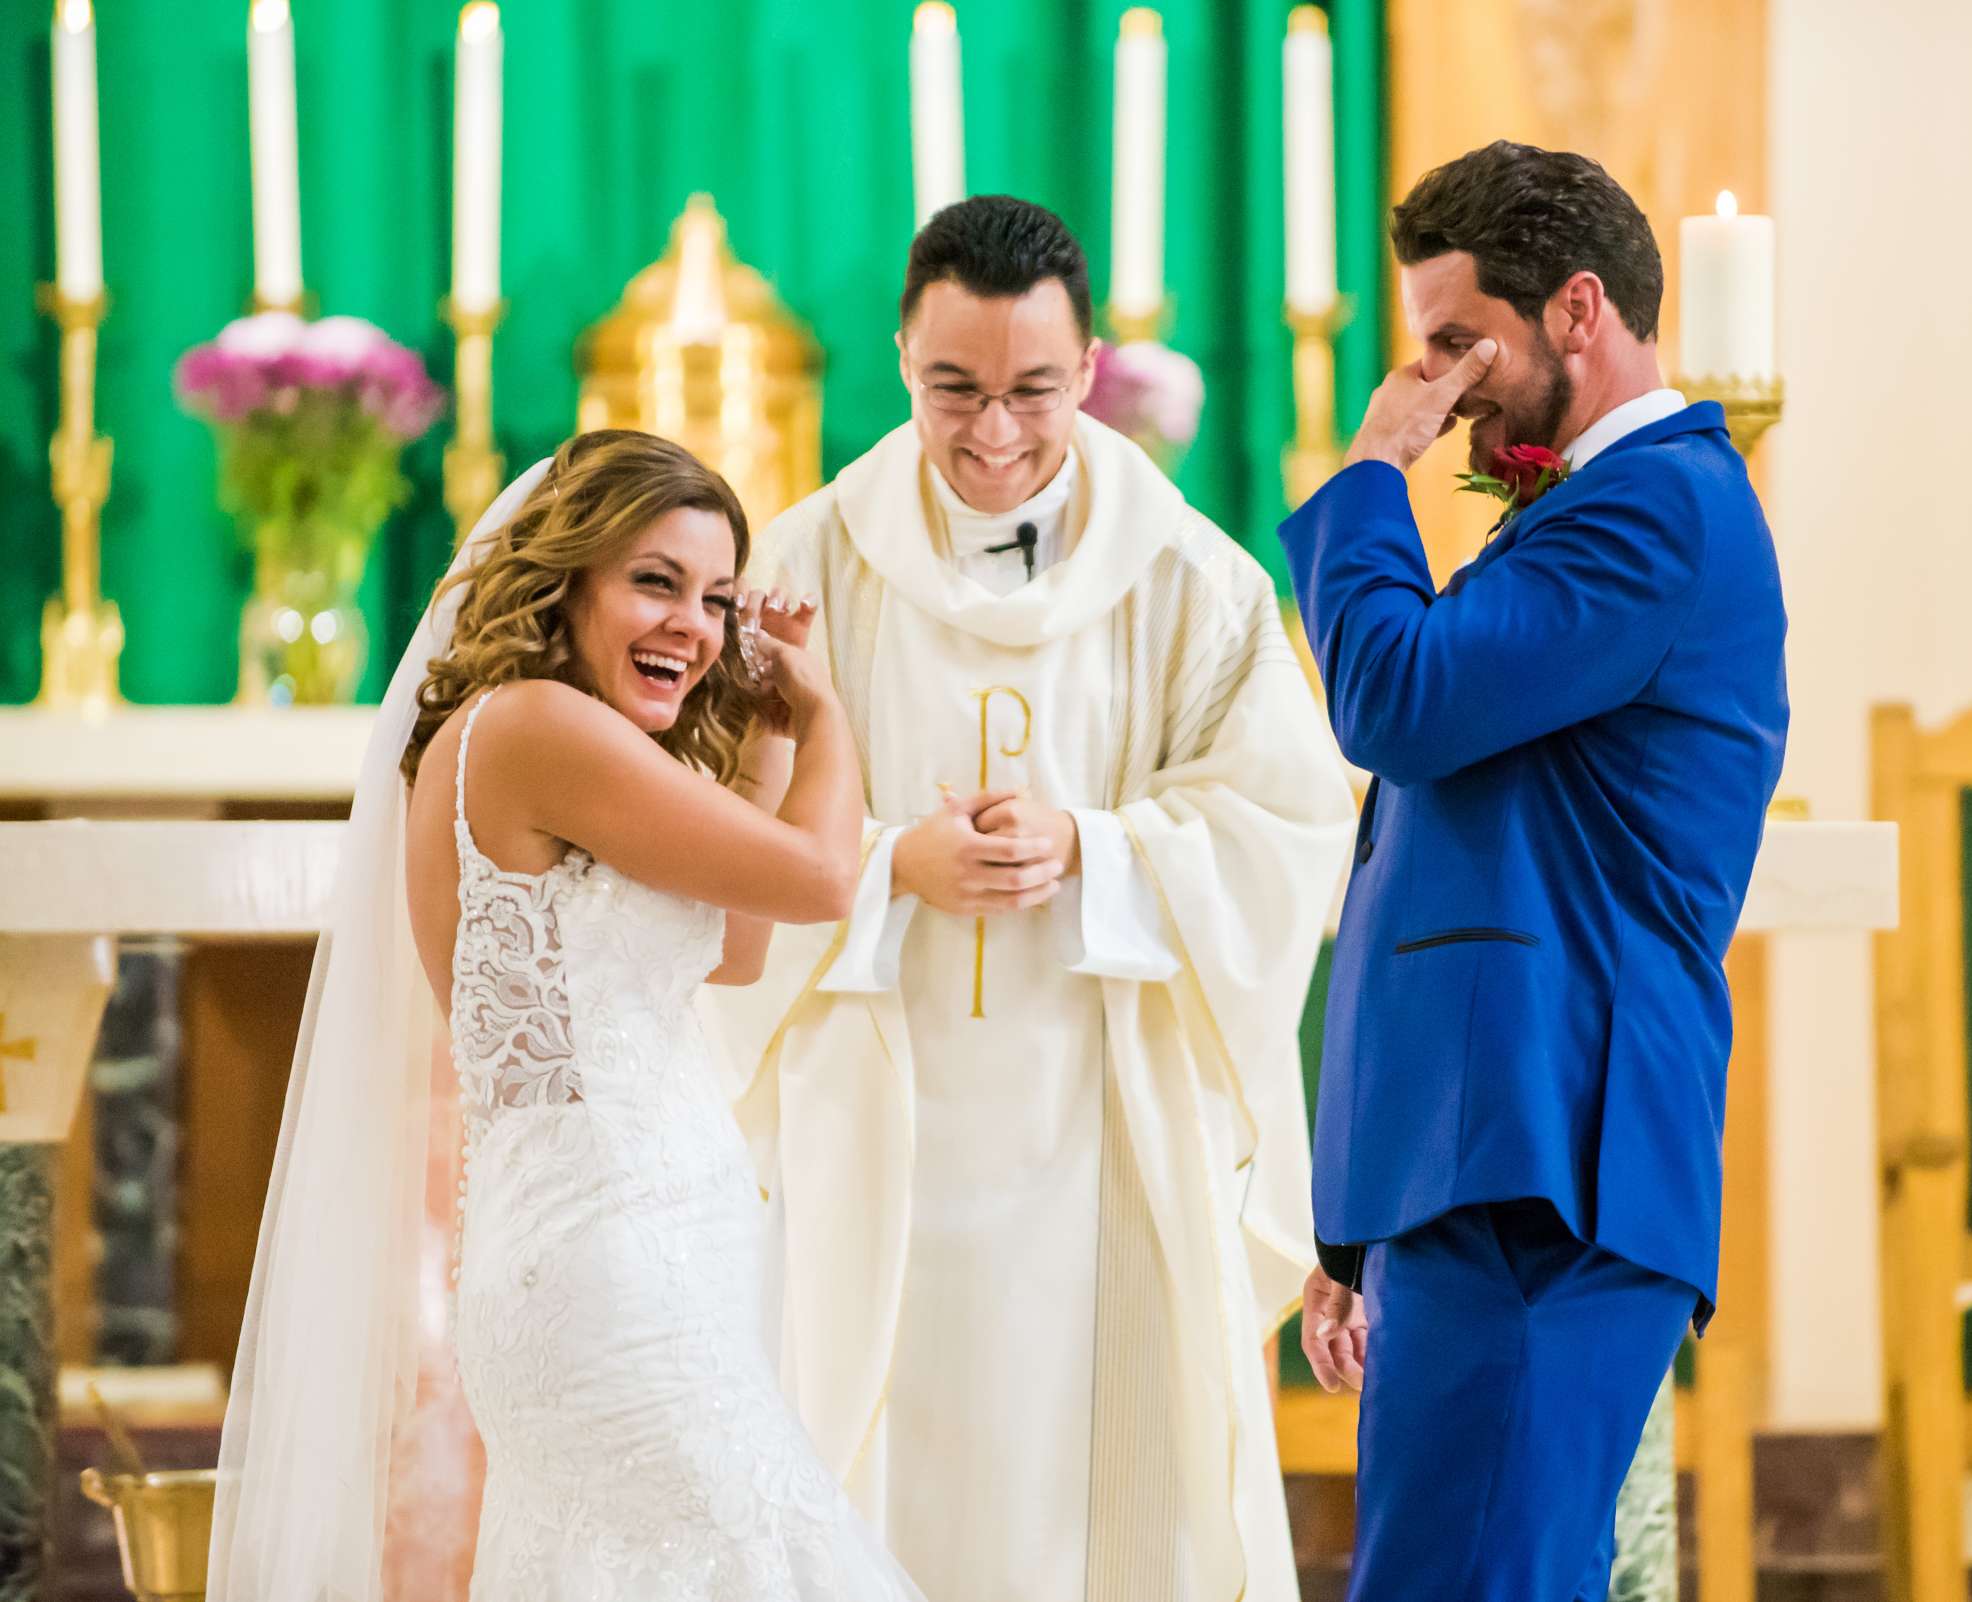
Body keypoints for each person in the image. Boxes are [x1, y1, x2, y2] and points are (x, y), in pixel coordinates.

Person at [710, 196, 1354, 1602]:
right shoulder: (804, 567)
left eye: (1032, 392)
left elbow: (1289, 821)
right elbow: (721, 833)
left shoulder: (1190, 579)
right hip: (873, 1117)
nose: (994, 433)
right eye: (955, 389)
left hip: (1104, 1120)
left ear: (1091, 368)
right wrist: (886, 867)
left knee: (1101, 1492)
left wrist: (1100, 851)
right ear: (900, 358)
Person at [210, 430, 922, 1601]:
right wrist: (826, 705)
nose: (693, 627)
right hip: (610, 1277)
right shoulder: (535, 725)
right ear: (568, 576)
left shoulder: (547, 743)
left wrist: (769, 733)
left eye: (717, 598)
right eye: (655, 581)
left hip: (615, 1264)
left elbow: (737, 951)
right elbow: (821, 879)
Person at [1279, 140, 1790, 1600]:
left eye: (1458, 342)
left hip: (1545, 1171)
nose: (1433, 388)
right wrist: (1367, 1220)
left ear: (1577, 311)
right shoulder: (1586, 514)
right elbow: (1460, 859)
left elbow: (1399, 700)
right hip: (1488, 1168)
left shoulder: (1661, 507)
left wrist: (1367, 467)